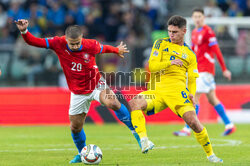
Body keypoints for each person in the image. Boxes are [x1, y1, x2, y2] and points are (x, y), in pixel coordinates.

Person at [15, 19, 152, 164]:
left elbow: (103, 48)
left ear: (82, 39)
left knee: (113, 102)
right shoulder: (57, 43)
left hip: (96, 84)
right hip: (77, 92)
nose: (75, 46)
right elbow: (34, 41)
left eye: (77, 43)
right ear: (66, 39)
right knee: (75, 127)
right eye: (71, 44)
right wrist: (24, 31)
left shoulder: (90, 44)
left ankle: (138, 134)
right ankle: (82, 154)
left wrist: (116, 50)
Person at [129, 15, 223, 163]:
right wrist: (170, 62)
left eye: (175, 32)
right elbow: (152, 67)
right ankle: (144, 140)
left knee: (193, 122)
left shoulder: (190, 55)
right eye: (169, 31)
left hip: (178, 93)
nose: (171, 35)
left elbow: (192, 79)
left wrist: (192, 95)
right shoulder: (160, 44)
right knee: (134, 103)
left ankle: (211, 154)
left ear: (184, 31)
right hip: (157, 92)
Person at [174, 8, 236, 137]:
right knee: (212, 99)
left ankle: (187, 128)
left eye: (199, 16)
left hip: (205, 70)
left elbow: (216, 51)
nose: (197, 19)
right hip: (199, 69)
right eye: (195, 16)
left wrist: (224, 69)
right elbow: (194, 51)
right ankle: (229, 124)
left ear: (203, 18)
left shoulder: (208, 32)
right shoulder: (195, 32)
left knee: (194, 97)